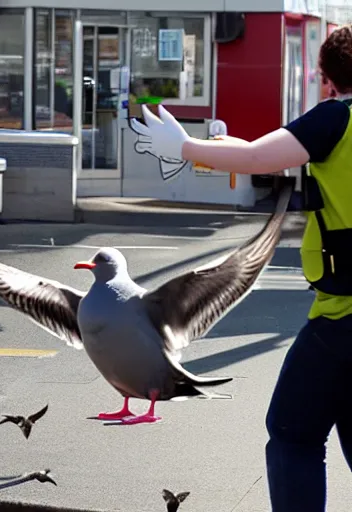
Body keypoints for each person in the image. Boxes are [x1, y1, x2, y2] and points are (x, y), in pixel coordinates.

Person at [131, 24, 352, 512]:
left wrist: (184, 147)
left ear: (328, 80)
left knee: (293, 433)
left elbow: (255, 157)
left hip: (343, 317)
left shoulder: (337, 118)